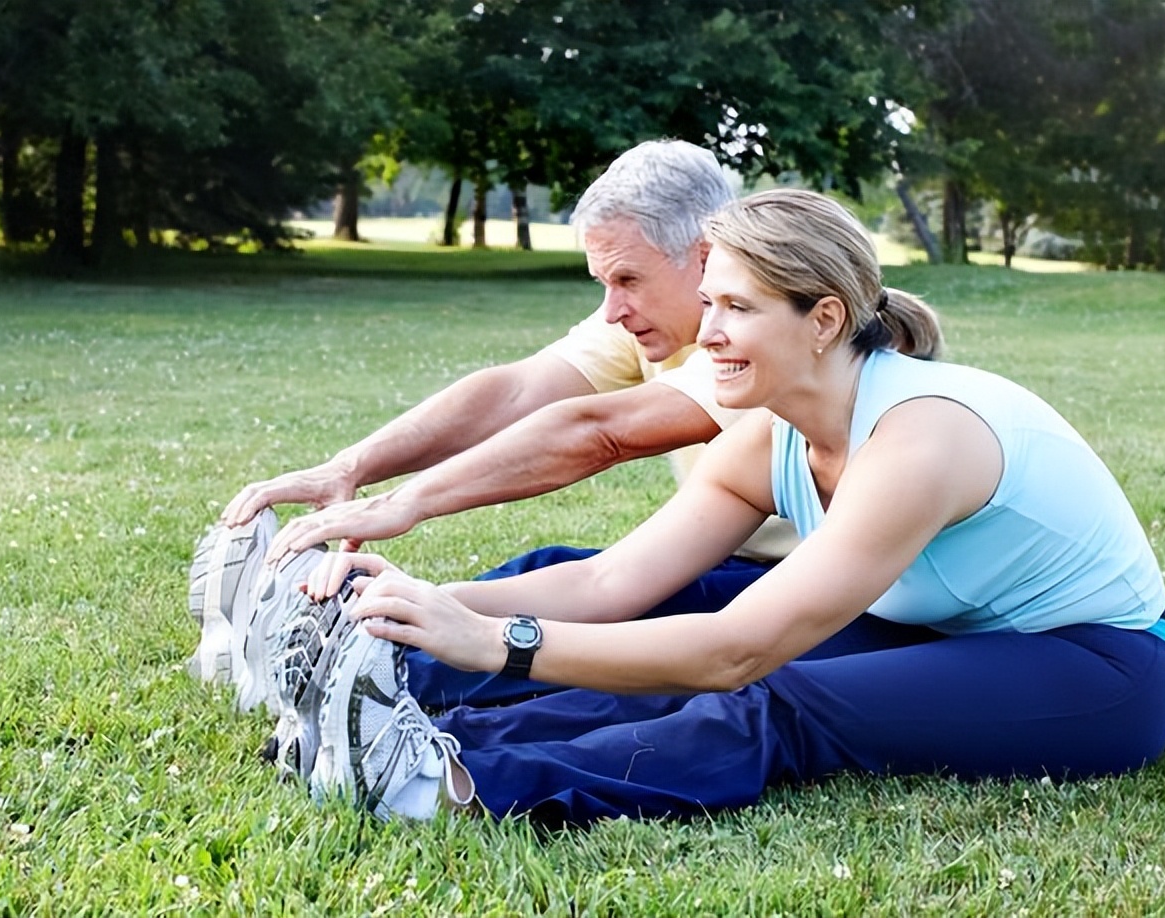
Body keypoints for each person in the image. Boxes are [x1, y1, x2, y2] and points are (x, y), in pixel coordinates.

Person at [299, 188, 1165, 826]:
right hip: (946, 631)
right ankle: (421, 734)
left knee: (778, 697)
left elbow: (734, 652)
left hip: (1094, 667)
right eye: (708, 302)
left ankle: (448, 786)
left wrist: (501, 641)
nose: (709, 332)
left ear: (824, 319)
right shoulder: (771, 434)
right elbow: (611, 584)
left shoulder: (923, 436)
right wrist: (419, 607)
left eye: (737, 308)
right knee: (664, 643)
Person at [202, 140, 799, 709]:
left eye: (628, 280)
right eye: (604, 284)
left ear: (705, 254)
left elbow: (602, 434)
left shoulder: (767, 331)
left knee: (624, 645)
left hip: (801, 582)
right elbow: (517, 391)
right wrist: (351, 468)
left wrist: (405, 503)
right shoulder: (651, 318)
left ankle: (360, 672)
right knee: (544, 572)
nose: (613, 310)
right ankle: (336, 652)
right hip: (720, 555)